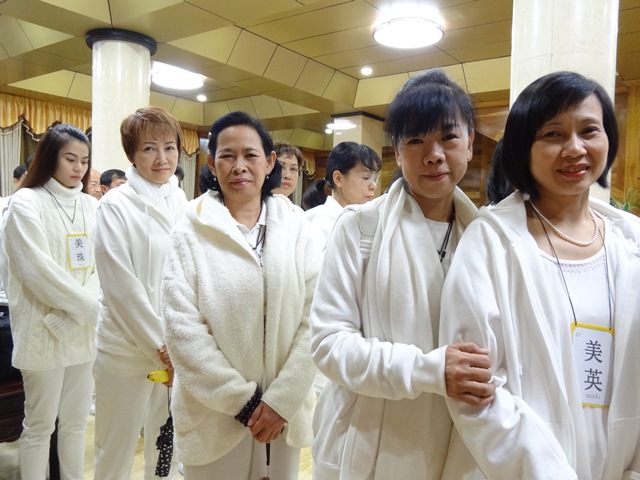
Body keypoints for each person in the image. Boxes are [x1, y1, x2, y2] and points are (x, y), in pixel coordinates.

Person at [439, 71, 640, 479]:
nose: (575, 148)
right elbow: (475, 390)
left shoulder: (631, 244)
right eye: (553, 134)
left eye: (589, 131)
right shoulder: (491, 242)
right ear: (522, 148)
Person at [309, 69, 495, 480]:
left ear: (470, 142)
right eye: (415, 140)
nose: (434, 154)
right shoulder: (360, 228)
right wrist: (429, 370)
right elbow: (328, 344)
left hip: (460, 447)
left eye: (449, 137)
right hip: (372, 446)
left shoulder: (489, 239)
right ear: (396, 148)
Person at [162, 111, 322, 480]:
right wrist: (244, 402)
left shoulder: (298, 227)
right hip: (214, 415)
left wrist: (282, 399)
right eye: (227, 156)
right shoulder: (189, 230)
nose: (239, 166)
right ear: (211, 163)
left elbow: (316, 316)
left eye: (250, 155)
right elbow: (182, 329)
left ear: (269, 162)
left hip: (283, 413)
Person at [93, 106, 187, 480]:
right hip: (126, 348)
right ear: (132, 154)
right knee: (115, 447)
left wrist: (180, 342)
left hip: (174, 348)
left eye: (169, 147)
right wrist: (161, 345)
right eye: (149, 148)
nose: (162, 158)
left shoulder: (182, 202)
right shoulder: (115, 205)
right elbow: (121, 286)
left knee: (166, 446)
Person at [3, 123, 99, 479]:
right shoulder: (26, 202)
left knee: (75, 423)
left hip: (81, 334)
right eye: (70, 159)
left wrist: (73, 317)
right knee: (39, 425)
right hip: (41, 332)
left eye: (84, 161)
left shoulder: (91, 205)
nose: (78, 168)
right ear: (49, 158)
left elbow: (101, 268)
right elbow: (37, 271)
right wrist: (89, 309)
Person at [304, 141, 382, 244]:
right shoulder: (321, 223)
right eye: (366, 177)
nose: (373, 186)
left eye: (375, 179)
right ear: (338, 179)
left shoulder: (368, 220)